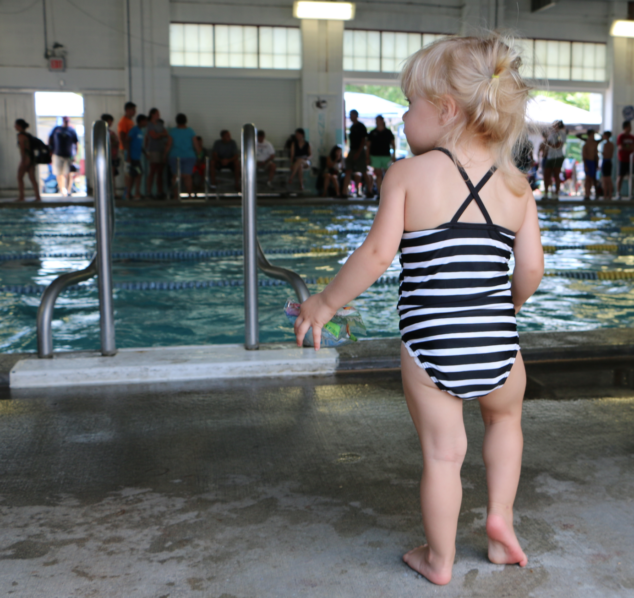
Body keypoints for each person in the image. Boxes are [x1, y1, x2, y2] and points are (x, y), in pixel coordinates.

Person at [292, 34, 542, 585]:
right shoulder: (517, 186)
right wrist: (508, 309)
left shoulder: (407, 175)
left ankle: (440, 558)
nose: (403, 119)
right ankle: (500, 521)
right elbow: (530, 272)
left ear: (446, 111)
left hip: (433, 347)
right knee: (505, 422)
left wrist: (326, 303)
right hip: (499, 341)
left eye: (409, 106)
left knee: (444, 454)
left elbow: (378, 253)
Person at [165, 113, 201, 200]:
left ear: (176, 121)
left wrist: (164, 155)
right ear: (186, 121)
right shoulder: (190, 131)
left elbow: (168, 145)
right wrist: (199, 155)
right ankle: (189, 196)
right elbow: (196, 144)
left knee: (175, 176)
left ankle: (176, 196)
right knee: (187, 176)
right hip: (189, 156)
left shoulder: (173, 131)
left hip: (175, 156)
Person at [342, 109, 372, 198]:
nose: (350, 117)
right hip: (352, 150)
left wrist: (359, 152)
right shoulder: (352, 127)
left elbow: (363, 140)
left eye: (351, 115)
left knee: (363, 171)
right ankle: (344, 192)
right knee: (348, 170)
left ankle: (370, 191)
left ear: (355, 115)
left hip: (359, 150)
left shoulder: (361, 126)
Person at [48, 116, 78, 197]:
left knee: (69, 173)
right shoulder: (56, 129)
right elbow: (50, 139)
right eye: (65, 120)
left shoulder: (72, 130)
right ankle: (62, 190)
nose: (66, 121)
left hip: (68, 155)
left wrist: (75, 154)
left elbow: (76, 143)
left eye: (67, 120)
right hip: (57, 154)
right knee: (59, 173)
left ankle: (68, 190)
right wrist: (50, 151)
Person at [367, 115, 396, 197]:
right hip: (375, 156)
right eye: (376, 120)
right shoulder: (372, 133)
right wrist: (367, 157)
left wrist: (393, 155)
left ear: (382, 121)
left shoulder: (388, 132)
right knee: (378, 174)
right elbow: (368, 145)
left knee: (388, 174)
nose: (376, 121)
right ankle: (380, 193)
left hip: (386, 156)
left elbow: (393, 145)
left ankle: (388, 193)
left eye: (377, 120)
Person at [14, 119, 41, 202]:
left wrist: (23, 160)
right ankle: (37, 196)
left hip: (26, 158)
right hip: (31, 158)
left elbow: (23, 148)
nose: (15, 126)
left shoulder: (20, 136)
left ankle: (21, 197)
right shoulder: (28, 135)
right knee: (32, 178)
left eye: (16, 125)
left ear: (19, 126)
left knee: (19, 177)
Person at [145, 108, 168, 199]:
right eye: (157, 114)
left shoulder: (160, 124)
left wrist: (159, 135)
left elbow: (165, 133)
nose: (159, 115)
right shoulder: (149, 125)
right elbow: (153, 136)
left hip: (161, 149)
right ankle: (149, 192)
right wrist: (160, 134)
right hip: (153, 150)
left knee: (160, 172)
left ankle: (160, 191)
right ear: (152, 114)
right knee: (153, 171)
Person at [125, 114, 148, 200]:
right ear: (141, 121)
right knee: (138, 173)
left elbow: (139, 145)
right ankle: (135, 193)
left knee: (135, 174)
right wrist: (128, 156)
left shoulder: (141, 131)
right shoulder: (134, 130)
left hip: (137, 158)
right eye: (145, 121)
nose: (146, 123)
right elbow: (127, 141)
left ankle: (130, 193)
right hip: (133, 158)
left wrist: (145, 153)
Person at [118, 101, 137, 199]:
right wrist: (126, 151)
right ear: (127, 110)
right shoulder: (123, 121)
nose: (135, 112)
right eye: (133, 110)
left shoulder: (131, 122)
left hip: (131, 150)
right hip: (126, 150)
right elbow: (122, 136)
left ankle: (129, 192)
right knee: (128, 173)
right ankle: (127, 193)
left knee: (132, 172)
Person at [543, 120, 566, 200]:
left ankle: (556, 193)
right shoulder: (551, 134)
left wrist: (548, 144)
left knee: (556, 175)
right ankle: (546, 193)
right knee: (546, 174)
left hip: (558, 156)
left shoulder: (561, 133)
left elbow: (558, 145)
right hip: (550, 156)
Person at [577, 129, 599, 200]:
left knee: (594, 179)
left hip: (593, 162)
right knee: (588, 179)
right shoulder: (586, 145)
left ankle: (596, 194)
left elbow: (596, 155)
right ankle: (587, 194)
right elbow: (584, 156)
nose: (593, 136)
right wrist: (586, 165)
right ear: (589, 135)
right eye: (592, 135)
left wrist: (597, 164)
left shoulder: (595, 143)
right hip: (588, 162)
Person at [101, 114, 120, 197]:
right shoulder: (105, 133)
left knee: (111, 175)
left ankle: (112, 192)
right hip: (106, 157)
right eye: (110, 121)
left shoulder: (110, 132)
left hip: (111, 156)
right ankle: (110, 193)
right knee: (108, 176)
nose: (111, 122)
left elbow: (117, 143)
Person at [616, 121, 634, 199]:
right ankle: (618, 193)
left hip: (631, 161)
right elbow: (621, 147)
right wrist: (629, 147)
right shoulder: (621, 136)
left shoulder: (632, 137)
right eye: (629, 126)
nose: (631, 128)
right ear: (625, 127)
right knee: (620, 176)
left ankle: (631, 194)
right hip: (623, 160)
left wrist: (627, 147)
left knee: (631, 177)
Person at [601, 131, 614, 200]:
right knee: (608, 179)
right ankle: (609, 195)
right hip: (609, 162)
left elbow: (605, 154)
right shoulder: (612, 144)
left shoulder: (606, 145)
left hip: (605, 162)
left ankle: (605, 195)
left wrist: (600, 152)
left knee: (605, 180)